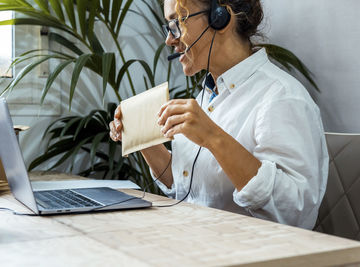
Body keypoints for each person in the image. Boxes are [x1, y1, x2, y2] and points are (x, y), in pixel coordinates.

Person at [109, 0, 328, 230]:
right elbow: (184, 187)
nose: (169, 39)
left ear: (220, 17)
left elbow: (295, 213)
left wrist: (213, 137)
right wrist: (142, 139)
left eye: (177, 22)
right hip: (196, 240)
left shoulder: (281, 97)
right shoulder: (206, 95)